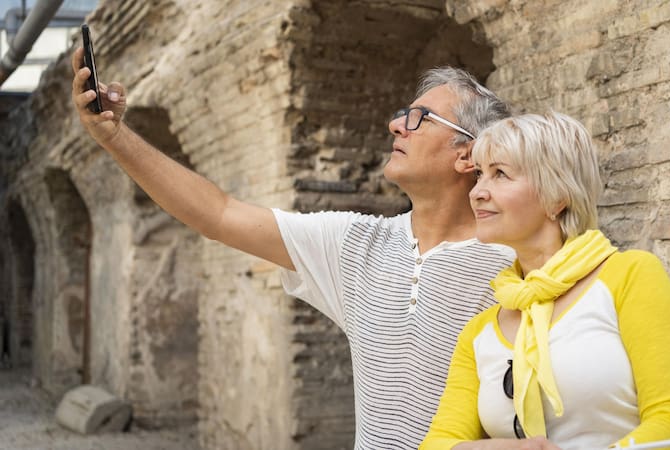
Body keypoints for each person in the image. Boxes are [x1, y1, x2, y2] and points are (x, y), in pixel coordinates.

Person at [71, 46, 516, 449]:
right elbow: (218, 214)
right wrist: (114, 136)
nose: (395, 124)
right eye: (404, 113)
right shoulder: (355, 244)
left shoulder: (516, 263)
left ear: (466, 155)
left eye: (420, 118)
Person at [420, 113, 670, 450]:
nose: (477, 192)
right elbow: (438, 443)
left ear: (557, 196)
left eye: (500, 174)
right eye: (480, 175)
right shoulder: (480, 331)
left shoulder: (631, 277)